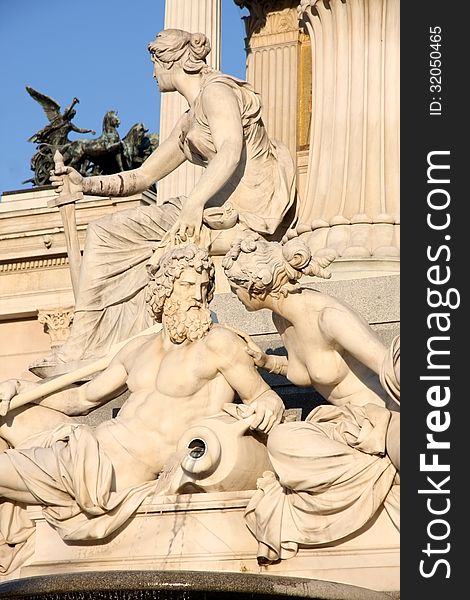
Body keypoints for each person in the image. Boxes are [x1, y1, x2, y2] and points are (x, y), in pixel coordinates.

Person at [0, 244, 284, 573]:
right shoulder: (136, 349)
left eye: (204, 287)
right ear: (164, 288)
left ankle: (12, 554)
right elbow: (81, 400)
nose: (197, 295)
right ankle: (12, 546)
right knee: (5, 413)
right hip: (87, 445)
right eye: (186, 285)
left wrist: (266, 405)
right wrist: (20, 389)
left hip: (113, 474)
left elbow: (263, 395)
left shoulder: (218, 343)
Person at [45, 28, 298, 366]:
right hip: (211, 202)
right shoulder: (188, 120)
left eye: (154, 63)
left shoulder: (218, 91)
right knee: (104, 232)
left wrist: (193, 204)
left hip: (245, 205)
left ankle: (86, 345)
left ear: (171, 60)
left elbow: (230, 149)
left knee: (114, 239)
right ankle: (95, 342)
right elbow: (143, 176)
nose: (152, 72)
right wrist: (84, 185)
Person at [222, 231, 400, 564]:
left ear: (255, 285)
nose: (234, 296)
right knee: (284, 438)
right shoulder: (282, 318)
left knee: (285, 442)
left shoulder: (327, 317)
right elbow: (302, 368)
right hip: (343, 424)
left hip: (380, 419)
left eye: (235, 287)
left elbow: (386, 365)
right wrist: (265, 362)